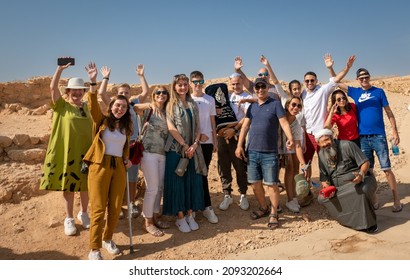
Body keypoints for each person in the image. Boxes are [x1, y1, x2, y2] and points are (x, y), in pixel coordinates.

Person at [83, 64, 133, 260]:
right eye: (117, 106)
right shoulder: (101, 121)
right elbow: (92, 102)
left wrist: (127, 158)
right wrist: (95, 81)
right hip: (99, 166)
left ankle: (107, 239)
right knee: (98, 209)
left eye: (123, 106)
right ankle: (94, 248)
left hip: (119, 167)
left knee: (114, 208)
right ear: (111, 107)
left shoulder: (126, 127)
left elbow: (125, 146)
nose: (120, 109)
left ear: (127, 109)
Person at [39, 58, 93, 236]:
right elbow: (52, 88)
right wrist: (59, 70)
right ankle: (69, 219)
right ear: (68, 91)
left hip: (85, 152)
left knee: (85, 185)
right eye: (73, 90)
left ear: (83, 92)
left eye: (80, 90)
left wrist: (94, 79)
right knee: (69, 185)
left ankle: (84, 213)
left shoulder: (86, 107)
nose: (77, 93)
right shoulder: (61, 105)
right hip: (66, 152)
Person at [338, 68, 403, 212]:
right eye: (361, 78)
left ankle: (396, 198)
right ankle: (374, 198)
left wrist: (394, 131)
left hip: (379, 136)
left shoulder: (379, 92)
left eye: (366, 77)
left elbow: (389, 112)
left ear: (369, 77)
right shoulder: (355, 92)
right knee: (368, 170)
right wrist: (332, 67)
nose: (364, 80)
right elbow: (336, 82)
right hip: (363, 138)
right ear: (357, 80)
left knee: (386, 168)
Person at [235, 78, 294, 230]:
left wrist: (290, 138)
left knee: (272, 184)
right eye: (257, 87)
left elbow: (284, 123)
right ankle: (264, 207)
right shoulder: (252, 107)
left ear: (268, 87)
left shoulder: (275, 104)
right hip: (253, 151)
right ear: (254, 89)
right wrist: (239, 146)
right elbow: (245, 127)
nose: (260, 89)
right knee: (255, 184)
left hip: (270, 152)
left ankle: (274, 212)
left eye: (263, 87)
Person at [99, 64, 149, 219]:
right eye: (121, 93)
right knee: (115, 177)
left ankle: (131, 202)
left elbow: (146, 92)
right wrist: (105, 78)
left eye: (127, 93)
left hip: (132, 145)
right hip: (116, 146)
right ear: (117, 94)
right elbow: (101, 93)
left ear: (130, 94)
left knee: (132, 177)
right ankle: (117, 205)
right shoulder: (115, 105)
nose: (124, 95)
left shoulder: (133, 104)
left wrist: (141, 76)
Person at [163, 74, 207, 233]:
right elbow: (171, 127)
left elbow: (198, 127)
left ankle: (190, 214)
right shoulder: (170, 104)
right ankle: (180, 217)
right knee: (178, 183)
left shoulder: (192, 103)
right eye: (179, 85)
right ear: (174, 87)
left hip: (192, 150)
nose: (182, 87)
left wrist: (195, 144)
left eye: (185, 84)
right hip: (176, 149)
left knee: (191, 181)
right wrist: (184, 145)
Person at [301, 54, 356, 177]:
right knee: (306, 162)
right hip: (307, 134)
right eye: (307, 81)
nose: (310, 82)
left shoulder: (322, 90)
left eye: (312, 80)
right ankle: (308, 187)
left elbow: (336, 79)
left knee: (328, 161)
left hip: (321, 133)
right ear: (304, 82)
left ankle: (333, 185)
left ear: (316, 80)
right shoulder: (303, 94)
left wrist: (346, 67)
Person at [315, 128, 378, 233]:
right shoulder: (321, 154)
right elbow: (324, 177)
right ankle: (348, 221)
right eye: (323, 143)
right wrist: (327, 188)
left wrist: (361, 175)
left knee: (360, 191)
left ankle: (368, 224)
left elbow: (365, 163)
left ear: (332, 137)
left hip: (359, 181)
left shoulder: (347, 145)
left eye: (327, 140)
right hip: (338, 188)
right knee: (321, 198)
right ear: (318, 144)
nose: (326, 144)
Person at [133, 86, 170, 236]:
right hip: (148, 153)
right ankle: (147, 222)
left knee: (159, 187)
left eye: (164, 92)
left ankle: (155, 216)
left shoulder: (166, 112)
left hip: (162, 153)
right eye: (158, 93)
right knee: (152, 187)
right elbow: (134, 106)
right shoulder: (148, 110)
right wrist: (150, 104)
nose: (161, 94)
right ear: (154, 96)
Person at [217, 73, 251, 211]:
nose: (235, 86)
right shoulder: (226, 97)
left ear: (242, 82)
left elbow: (247, 116)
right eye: (233, 84)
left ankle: (243, 194)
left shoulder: (247, 97)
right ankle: (227, 194)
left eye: (238, 83)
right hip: (222, 135)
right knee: (223, 165)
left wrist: (235, 129)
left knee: (239, 165)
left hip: (237, 136)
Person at [189, 71, 219, 223]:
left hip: (207, 143)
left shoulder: (210, 99)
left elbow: (213, 121)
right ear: (190, 83)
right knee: (192, 175)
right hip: (191, 142)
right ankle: (194, 207)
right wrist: (198, 136)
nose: (198, 85)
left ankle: (206, 207)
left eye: (200, 81)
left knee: (203, 174)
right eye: (195, 82)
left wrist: (215, 141)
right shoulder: (187, 100)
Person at [278, 97, 308, 212]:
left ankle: (291, 199)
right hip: (274, 148)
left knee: (291, 170)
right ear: (287, 105)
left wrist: (303, 164)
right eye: (293, 104)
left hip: (287, 149)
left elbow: (298, 145)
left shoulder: (296, 123)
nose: (296, 108)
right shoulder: (279, 117)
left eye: (299, 106)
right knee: (274, 175)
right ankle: (274, 201)